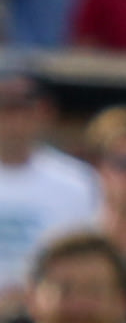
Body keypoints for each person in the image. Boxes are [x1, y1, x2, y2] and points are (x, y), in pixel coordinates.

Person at [0, 64, 101, 303]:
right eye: (3, 104)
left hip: (53, 312)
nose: (12, 115)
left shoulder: (78, 182)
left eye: (22, 104)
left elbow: (86, 261)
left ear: (45, 109)